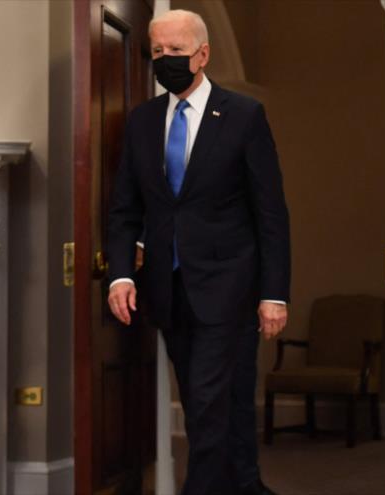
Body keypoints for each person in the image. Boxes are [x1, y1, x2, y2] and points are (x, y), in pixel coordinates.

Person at [106, 9, 290, 495]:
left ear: (202, 55)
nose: (164, 60)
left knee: (208, 406)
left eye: (176, 52)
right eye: (158, 52)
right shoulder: (143, 122)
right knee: (216, 402)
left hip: (230, 287)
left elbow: (270, 213)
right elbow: (125, 208)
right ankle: (248, 486)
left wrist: (275, 293)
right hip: (168, 290)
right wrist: (121, 275)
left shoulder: (244, 116)